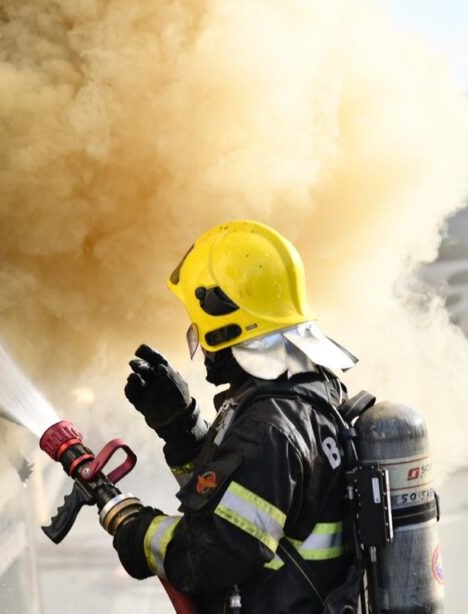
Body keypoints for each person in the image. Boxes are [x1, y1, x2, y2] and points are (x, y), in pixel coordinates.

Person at [110, 220, 359, 613]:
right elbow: (234, 496)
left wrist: (140, 534)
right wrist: (182, 429)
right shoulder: (307, 396)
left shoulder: (270, 428)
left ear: (223, 318)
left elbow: (212, 556)